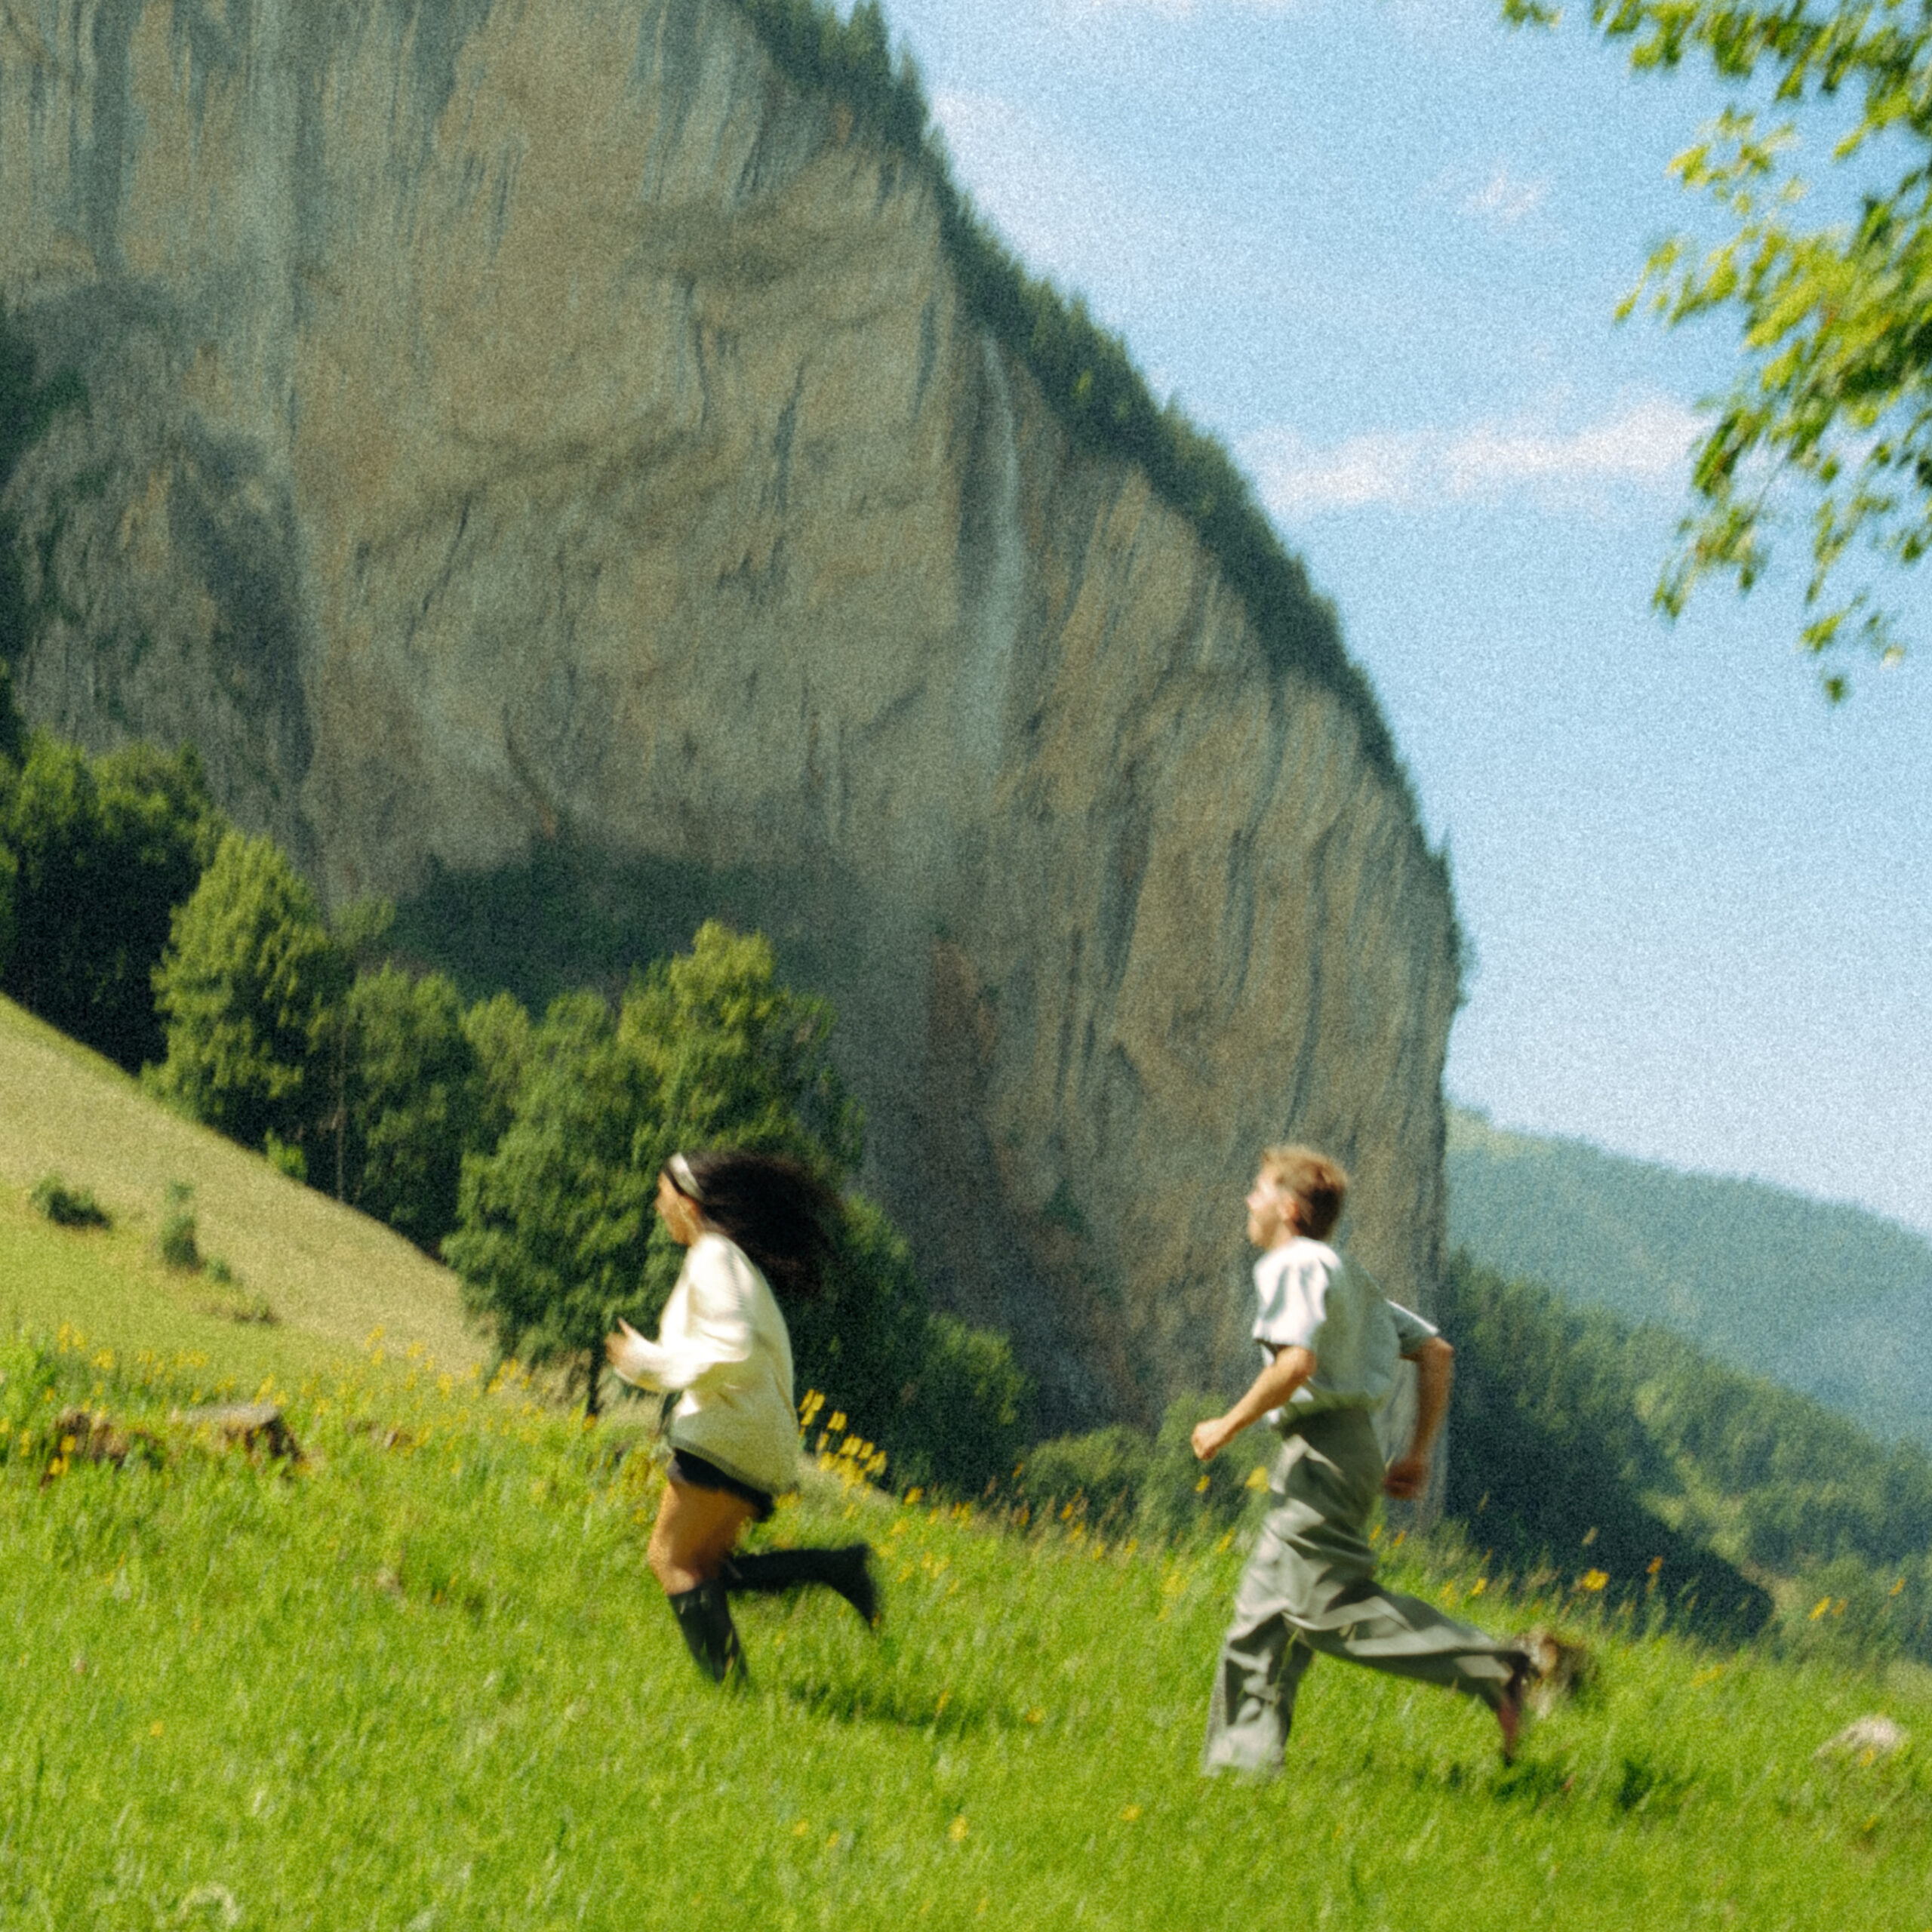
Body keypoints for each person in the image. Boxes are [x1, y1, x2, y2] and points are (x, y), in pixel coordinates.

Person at [1192, 1143, 1529, 1775]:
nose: (1249, 1199)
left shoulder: (1293, 1266)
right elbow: (1437, 1353)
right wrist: (1418, 1453)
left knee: (1327, 1609)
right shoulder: (1346, 1273)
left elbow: (1297, 1364)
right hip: (1344, 1450)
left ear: (1289, 1209)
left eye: (1259, 1189)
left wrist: (1226, 1425)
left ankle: (1497, 1668)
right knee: (1261, 1622)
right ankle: (1239, 1775)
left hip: (1322, 1452)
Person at [606, 1148, 878, 1684]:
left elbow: (733, 1348)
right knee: (708, 1569)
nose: (657, 1207)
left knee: (669, 1559)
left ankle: (731, 1690)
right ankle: (835, 1567)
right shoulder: (730, 1260)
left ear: (686, 1202)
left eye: (661, 1197)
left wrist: (648, 1365)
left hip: (724, 1434)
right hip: (760, 1439)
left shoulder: (712, 1257)